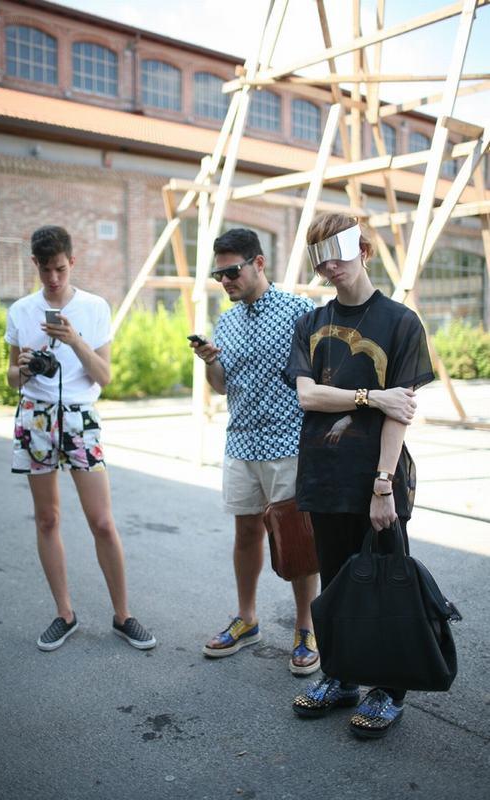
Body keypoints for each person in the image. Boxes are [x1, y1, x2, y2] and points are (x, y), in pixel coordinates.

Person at [284, 212, 434, 738]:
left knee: (386, 586)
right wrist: (372, 396)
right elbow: (308, 395)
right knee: (336, 585)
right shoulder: (311, 323)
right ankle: (341, 676)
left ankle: (389, 691)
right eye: (320, 258)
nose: (330, 266)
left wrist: (383, 484)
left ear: (364, 251)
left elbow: (401, 412)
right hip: (323, 475)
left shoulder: (401, 322)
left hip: (377, 479)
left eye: (339, 253)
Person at [6, 225, 156, 652]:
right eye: (45, 270)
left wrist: (74, 341)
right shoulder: (20, 310)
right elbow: (11, 377)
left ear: (72, 262)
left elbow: (104, 376)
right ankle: (64, 614)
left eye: (60, 268)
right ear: (35, 264)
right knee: (47, 519)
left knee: (102, 522)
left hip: (79, 417)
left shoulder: (94, 307)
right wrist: (24, 368)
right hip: (35, 416)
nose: (53, 278)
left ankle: (123, 616)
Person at [190, 228, 320, 675]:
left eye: (232, 272)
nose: (225, 281)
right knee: (246, 533)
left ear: (259, 263)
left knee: (296, 539)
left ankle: (306, 627)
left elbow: (320, 373)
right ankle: (247, 619)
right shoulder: (226, 322)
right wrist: (211, 361)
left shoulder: (299, 311)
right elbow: (222, 387)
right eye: (218, 275)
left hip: (288, 442)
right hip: (241, 442)